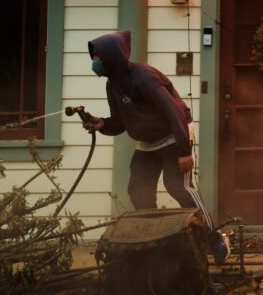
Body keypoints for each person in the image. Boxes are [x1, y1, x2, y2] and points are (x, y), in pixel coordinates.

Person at [83, 30, 230, 264]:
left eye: (98, 57)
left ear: (112, 56)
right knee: (138, 191)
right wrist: (102, 124)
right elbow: (121, 121)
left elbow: (175, 111)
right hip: (147, 143)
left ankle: (214, 237)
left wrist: (183, 150)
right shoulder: (113, 85)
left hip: (173, 135)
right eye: (94, 57)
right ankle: (153, 241)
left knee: (179, 187)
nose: (95, 62)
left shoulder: (144, 77)